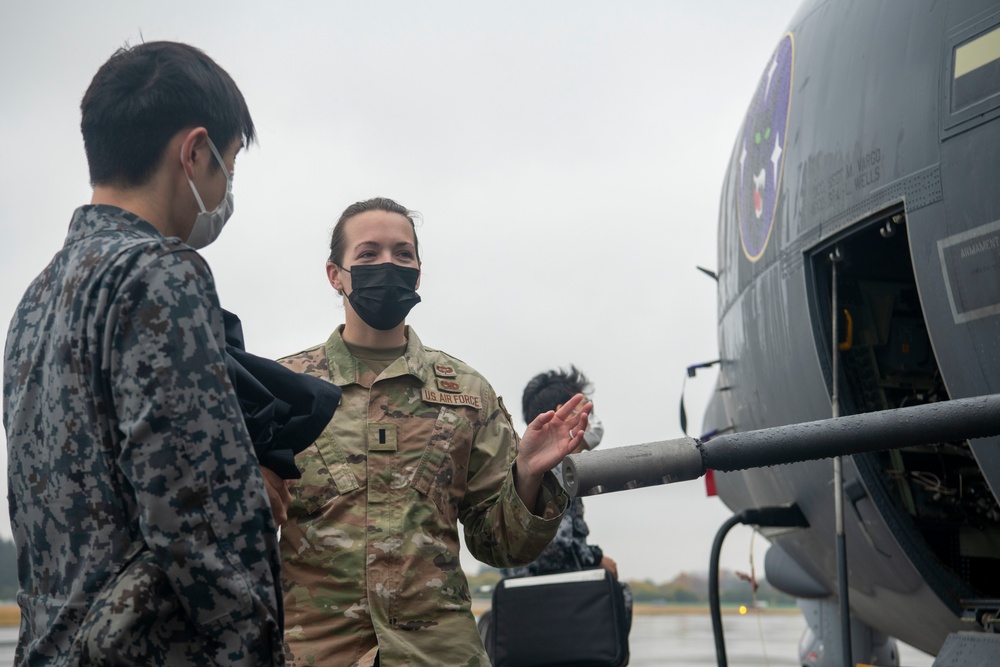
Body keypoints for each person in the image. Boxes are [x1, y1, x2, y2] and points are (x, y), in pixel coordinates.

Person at [2, 42, 287, 665]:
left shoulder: (38, 296)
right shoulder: (158, 272)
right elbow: (199, 520)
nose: (227, 184)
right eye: (229, 163)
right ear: (194, 151)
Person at [277, 197, 591, 666]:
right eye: (368, 254)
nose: (387, 264)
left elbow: (500, 545)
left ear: (418, 272)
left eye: (402, 254)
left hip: (437, 654)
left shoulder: (467, 393)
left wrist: (527, 477)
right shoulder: (286, 391)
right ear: (334, 275)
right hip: (314, 652)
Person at [497, 366, 633, 629]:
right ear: (566, 411)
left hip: (528, 606)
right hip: (551, 605)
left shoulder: (527, 465)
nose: (593, 418)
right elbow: (551, 547)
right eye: (586, 408)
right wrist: (596, 560)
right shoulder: (553, 469)